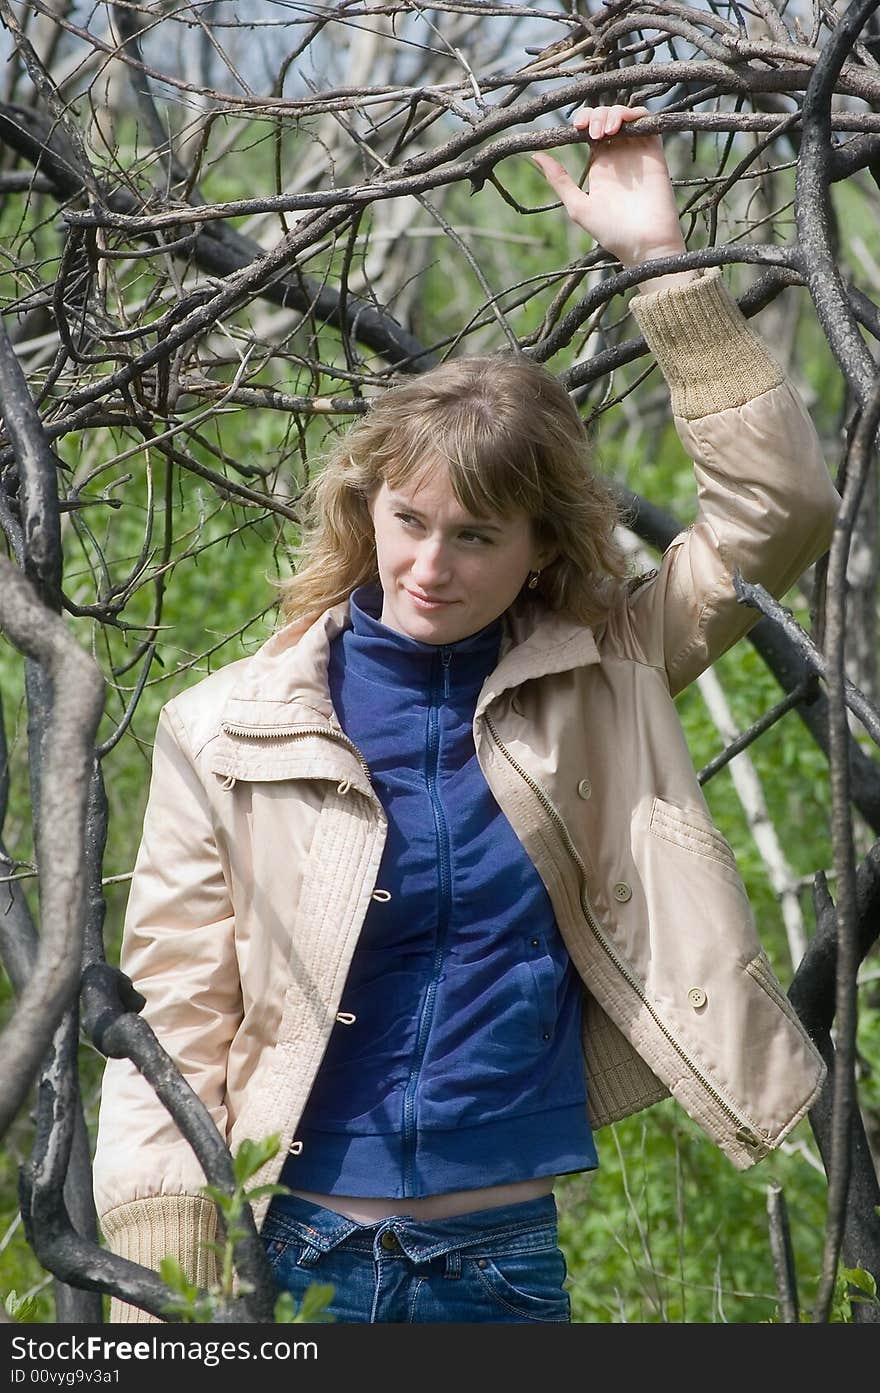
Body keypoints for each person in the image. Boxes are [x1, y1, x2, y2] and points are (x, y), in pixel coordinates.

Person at [93, 104, 839, 1324]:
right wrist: (168, 1295)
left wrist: (657, 260)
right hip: (289, 1255)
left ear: (543, 545)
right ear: (368, 509)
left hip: (501, 1261)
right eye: (409, 521)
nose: (430, 564)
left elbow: (779, 511)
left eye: (477, 535)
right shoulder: (228, 728)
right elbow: (175, 1017)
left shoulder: (606, 666)